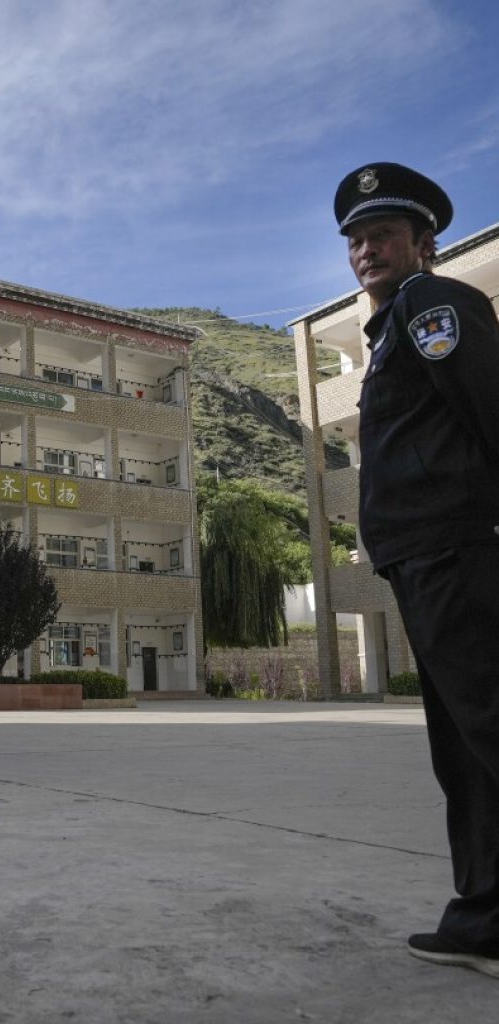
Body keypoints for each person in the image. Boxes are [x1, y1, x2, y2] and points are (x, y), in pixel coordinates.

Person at [334, 162, 499, 978]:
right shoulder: (391, 328)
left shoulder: (434, 305)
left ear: (422, 242)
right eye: (357, 239)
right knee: (465, 749)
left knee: (491, 727)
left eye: (384, 235)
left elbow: (492, 404)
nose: (367, 249)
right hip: (424, 556)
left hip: (459, 547)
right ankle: (484, 920)